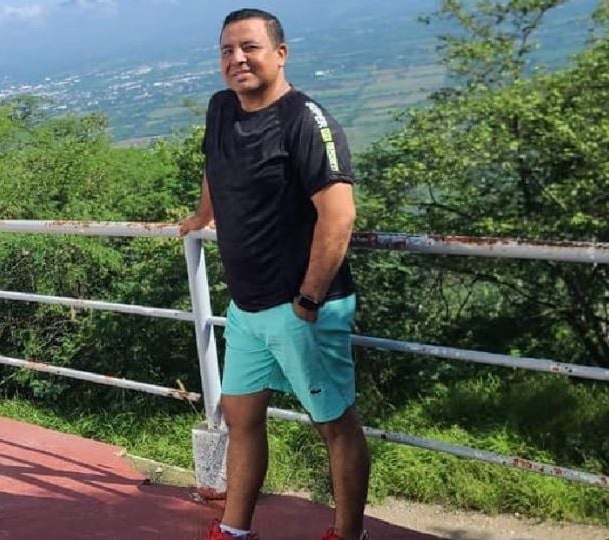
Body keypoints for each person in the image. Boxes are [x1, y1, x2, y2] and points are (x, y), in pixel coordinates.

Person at [179, 8, 370, 540]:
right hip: (247, 308)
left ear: (280, 54)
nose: (237, 59)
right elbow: (215, 165)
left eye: (250, 47)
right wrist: (203, 215)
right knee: (240, 417)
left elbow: (339, 216)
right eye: (227, 50)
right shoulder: (221, 108)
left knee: (335, 425)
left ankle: (348, 535)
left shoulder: (306, 121)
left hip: (301, 307)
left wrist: (308, 299)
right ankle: (233, 530)